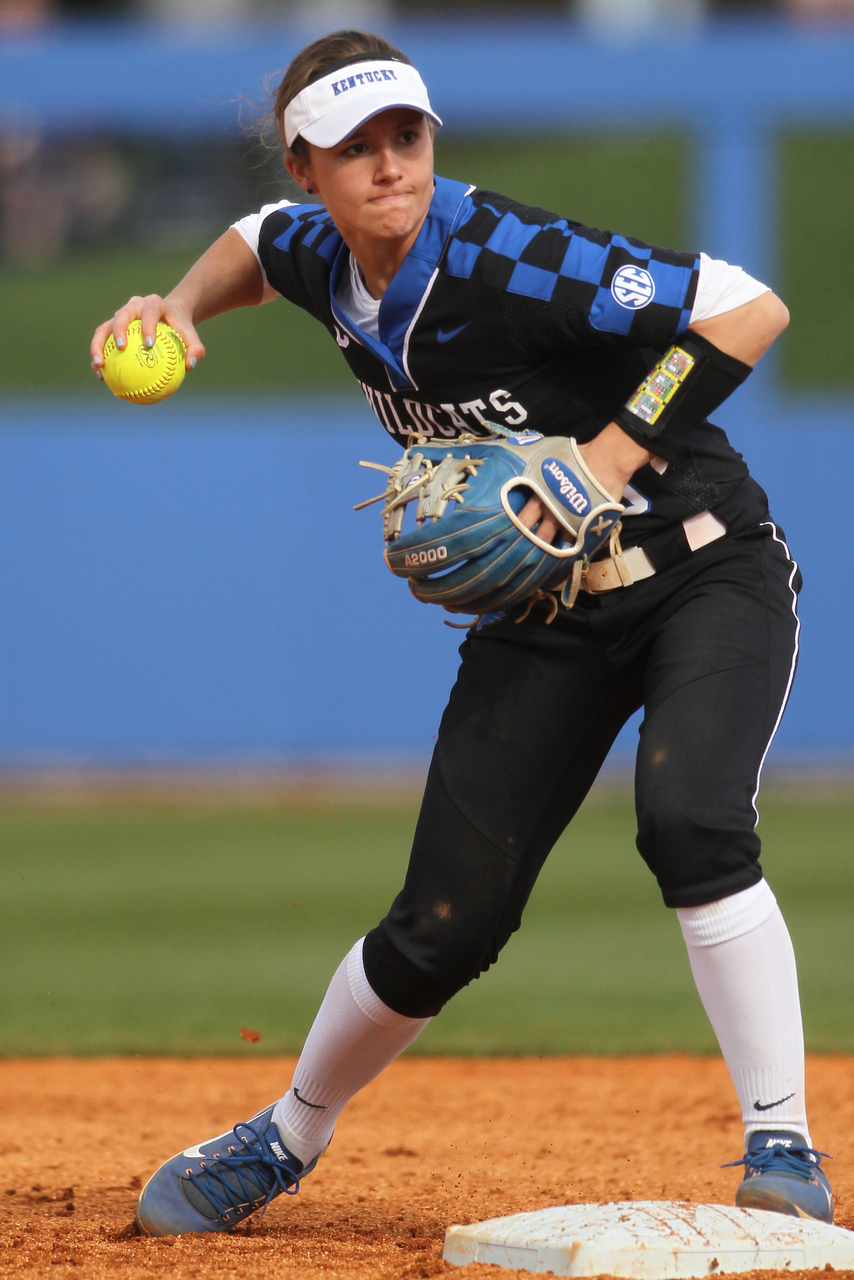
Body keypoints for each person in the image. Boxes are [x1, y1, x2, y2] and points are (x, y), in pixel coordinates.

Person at [90, 28, 833, 1237]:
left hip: (703, 569)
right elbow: (251, 247)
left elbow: (748, 308)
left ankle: (781, 1140)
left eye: (407, 136)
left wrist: (603, 458)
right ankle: (281, 1134)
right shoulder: (309, 247)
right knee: (442, 923)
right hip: (545, 610)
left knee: (691, 816)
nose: (388, 166)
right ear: (303, 169)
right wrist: (175, 303)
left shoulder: (511, 254)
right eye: (354, 149)